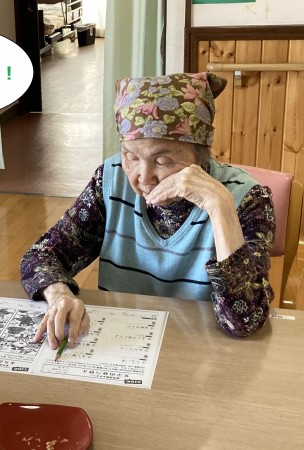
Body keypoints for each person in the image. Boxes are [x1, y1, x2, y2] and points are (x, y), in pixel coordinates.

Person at [20, 72, 275, 349]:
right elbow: (42, 255)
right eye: (131, 156)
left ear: (201, 156)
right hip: (120, 344)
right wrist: (59, 294)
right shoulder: (111, 179)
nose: (143, 177)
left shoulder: (246, 198)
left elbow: (244, 321)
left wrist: (220, 207)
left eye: (163, 160)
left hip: (204, 350)